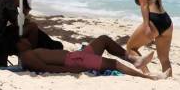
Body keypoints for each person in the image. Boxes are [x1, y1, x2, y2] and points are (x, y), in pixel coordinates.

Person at [0, 0, 62, 67]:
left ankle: (47, 48)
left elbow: (15, 23)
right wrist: (25, 12)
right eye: (23, 0)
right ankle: (33, 56)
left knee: (28, 33)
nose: (22, 3)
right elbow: (19, 23)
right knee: (32, 27)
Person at [18, 35, 169, 80]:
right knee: (113, 63)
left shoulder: (29, 53)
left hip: (77, 56)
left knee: (104, 39)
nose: (26, 39)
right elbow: (46, 68)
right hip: (75, 62)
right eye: (22, 40)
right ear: (18, 46)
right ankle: (151, 78)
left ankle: (134, 60)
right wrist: (72, 70)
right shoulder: (28, 57)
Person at [126, 0, 173, 76]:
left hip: (153, 21)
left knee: (131, 48)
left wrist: (146, 25)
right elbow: (155, 2)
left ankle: (147, 74)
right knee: (164, 59)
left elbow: (144, 5)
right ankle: (169, 79)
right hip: (166, 21)